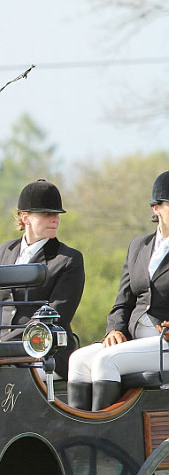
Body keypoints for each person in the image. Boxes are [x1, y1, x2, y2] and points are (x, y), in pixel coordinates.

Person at [0, 179, 85, 379]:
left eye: (57, 215)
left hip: (43, 352)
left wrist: (5, 345)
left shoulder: (67, 259)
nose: (55, 220)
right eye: (47, 214)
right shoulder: (5, 251)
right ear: (25, 217)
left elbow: (56, 316)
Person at [67, 170, 169, 411]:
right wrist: (114, 330)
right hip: (134, 339)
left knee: (106, 360)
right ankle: (80, 439)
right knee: (78, 360)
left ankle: (103, 438)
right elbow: (123, 302)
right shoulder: (138, 246)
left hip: (165, 340)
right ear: (156, 208)